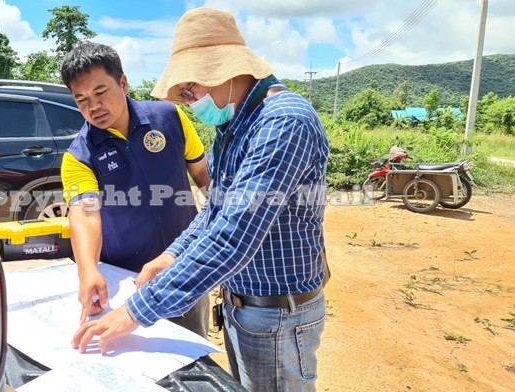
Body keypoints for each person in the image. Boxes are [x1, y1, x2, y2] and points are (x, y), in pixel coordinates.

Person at [71, 8, 330, 392]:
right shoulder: (234, 125)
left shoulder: (283, 122)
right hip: (243, 304)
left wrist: (135, 313)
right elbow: (215, 210)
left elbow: (234, 235)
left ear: (224, 70)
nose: (189, 99)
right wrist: (171, 256)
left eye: (191, 88)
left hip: (278, 311)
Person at [60, 42, 211, 338]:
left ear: (123, 83)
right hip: (130, 281)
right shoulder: (79, 156)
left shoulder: (170, 119)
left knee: (194, 349)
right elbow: (85, 214)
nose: (93, 107)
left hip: (185, 267)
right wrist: (87, 270)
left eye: (100, 92)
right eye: (82, 100)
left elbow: (204, 176)